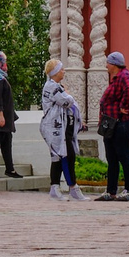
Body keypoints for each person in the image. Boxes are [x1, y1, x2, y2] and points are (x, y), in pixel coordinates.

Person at [39, 59, 85, 201]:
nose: (64, 71)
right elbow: (67, 101)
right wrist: (68, 93)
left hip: (62, 127)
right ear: (55, 72)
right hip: (57, 128)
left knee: (58, 157)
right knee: (66, 156)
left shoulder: (55, 86)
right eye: (62, 69)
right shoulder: (52, 87)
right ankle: (72, 188)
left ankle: (55, 187)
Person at [97, 51, 129, 201]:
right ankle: (111, 191)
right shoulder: (116, 79)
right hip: (111, 124)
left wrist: (124, 106)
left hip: (122, 122)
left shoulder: (124, 75)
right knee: (112, 158)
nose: (106, 65)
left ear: (114, 64)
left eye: (108, 62)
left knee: (124, 157)